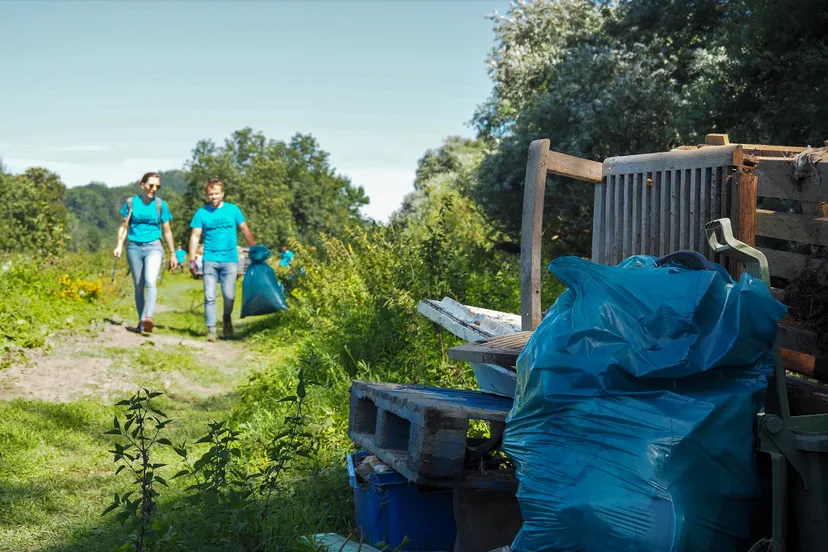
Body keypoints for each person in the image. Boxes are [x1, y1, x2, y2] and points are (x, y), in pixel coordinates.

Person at [189, 179, 255, 342]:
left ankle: (226, 317)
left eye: (216, 193)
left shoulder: (233, 210)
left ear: (222, 193)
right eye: (210, 194)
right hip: (210, 259)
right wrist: (191, 259)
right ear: (207, 195)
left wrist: (253, 247)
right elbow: (195, 236)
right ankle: (211, 330)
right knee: (209, 296)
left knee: (229, 295)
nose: (213, 197)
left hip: (230, 259)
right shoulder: (201, 213)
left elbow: (244, 228)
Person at [113, 172, 178, 333]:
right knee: (138, 286)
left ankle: (148, 317)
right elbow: (124, 226)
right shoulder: (131, 203)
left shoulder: (160, 205)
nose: (154, 189)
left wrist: (173, 253)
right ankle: (141, 322)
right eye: (151, 185)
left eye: (157, 186)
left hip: (154, 246)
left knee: (150, 281)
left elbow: (167, 231)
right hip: (134, 247)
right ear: (142, 185)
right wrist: (119, 246)